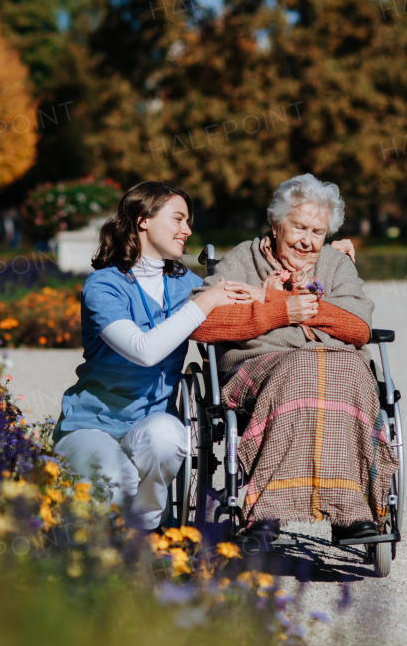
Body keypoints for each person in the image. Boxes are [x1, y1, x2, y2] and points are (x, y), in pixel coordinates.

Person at [190, 174, 399, 544]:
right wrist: (280, 312)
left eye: (317, 232)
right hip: (259, 368)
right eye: (298, 227)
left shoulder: (335, 265)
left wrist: (301, 307)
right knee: (305, 369)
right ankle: (267, 510)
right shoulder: (242, 259)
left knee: (336, 367)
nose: (307, 240)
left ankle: (349, 512)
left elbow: (358, 327)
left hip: (336, 365)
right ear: (275, 225)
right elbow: (203, 322)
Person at [52, 181, 258, 529]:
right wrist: (205, 302)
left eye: (188, 221)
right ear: (142, 219)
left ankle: (147, 529)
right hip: (91, 424)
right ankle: (116, 514)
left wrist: (323, 260)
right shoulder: (104, 286)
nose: (187, 230)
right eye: (178, 219)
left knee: (168, 437)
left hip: (152, 424)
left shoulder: (185, 284)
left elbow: (254, 299)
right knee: (116, 483)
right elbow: (143, 351)